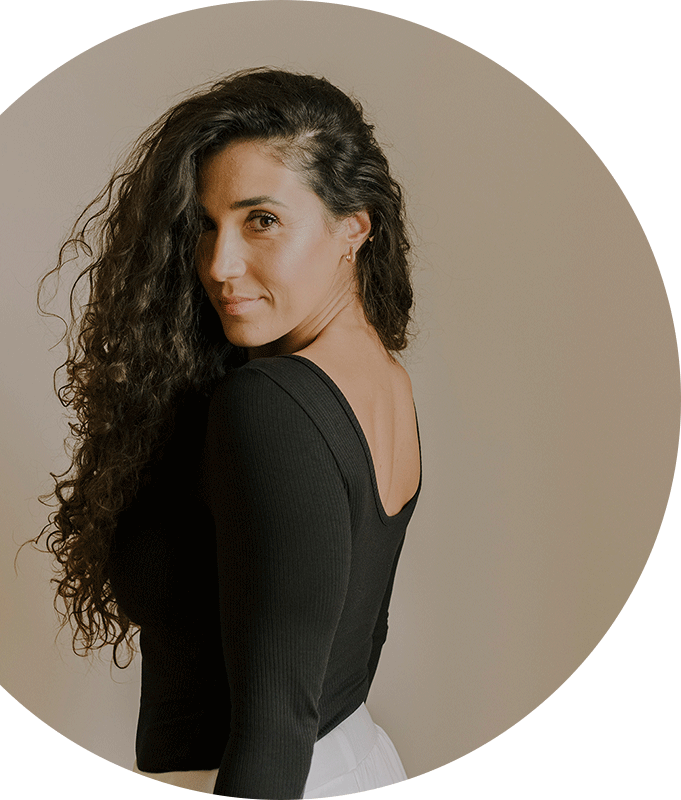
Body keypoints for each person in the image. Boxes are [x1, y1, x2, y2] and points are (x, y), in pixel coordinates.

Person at [35, 68, 421, 798]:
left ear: (354, 227)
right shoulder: (377, 376)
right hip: (352, 756)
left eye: (262, 220)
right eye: (207, 225)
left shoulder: (270, 403)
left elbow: (276, 725)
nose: (219, 264)